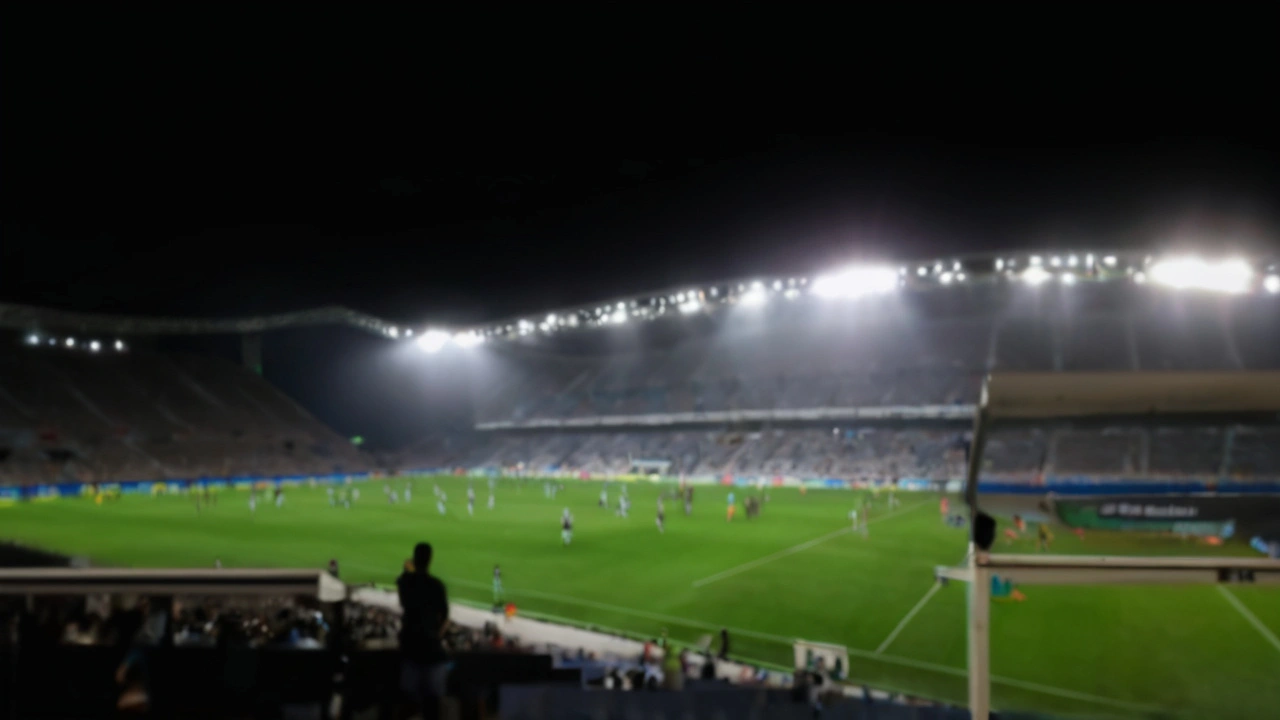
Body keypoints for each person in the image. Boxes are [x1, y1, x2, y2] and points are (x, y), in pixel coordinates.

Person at [398, 542, 449, 719]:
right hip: (432, 651)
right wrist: (436, 636)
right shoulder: (436, 585)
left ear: (415, 559)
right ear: (430, 559)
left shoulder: (406, 582)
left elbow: (402, 581)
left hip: (410, 648)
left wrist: (407, 568)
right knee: (432, 705)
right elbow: (445, 617)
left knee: (408, 701)